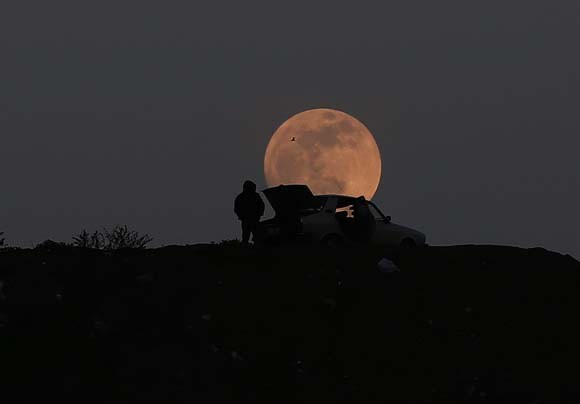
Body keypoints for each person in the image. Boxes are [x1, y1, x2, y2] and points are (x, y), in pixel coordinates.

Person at [234, 180, 265, 244]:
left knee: (257, 237)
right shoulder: (241, 197)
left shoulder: (254, 196)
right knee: (246, 237)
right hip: (247, 220)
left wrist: (259, 214)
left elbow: (261, 205)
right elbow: (237, 209)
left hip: (253, 220)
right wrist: (242, 216)